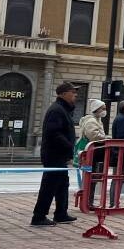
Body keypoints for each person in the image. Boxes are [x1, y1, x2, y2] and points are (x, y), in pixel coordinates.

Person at [31, 82, 79, 227]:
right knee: (49, 186)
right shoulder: (57, 110)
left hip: (60, 155)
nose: (75, 95)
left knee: (62, 184)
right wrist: (69, 146)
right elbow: (54, 133)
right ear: (63, 94)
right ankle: (39, 216)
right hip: (54, 154)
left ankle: (61, 213)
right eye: (72, 92)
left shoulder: (63, 109)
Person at [79, 99, 108, 205]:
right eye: (103, 109)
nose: (105, 111)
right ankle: (87, 201)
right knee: (90, 177)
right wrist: (105, 137)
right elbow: (94, 136)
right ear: (97, 109)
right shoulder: (91, 121)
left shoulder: (97, 120)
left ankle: (88, 201)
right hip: (92, 154)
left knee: (93, 178)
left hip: (95, 153)